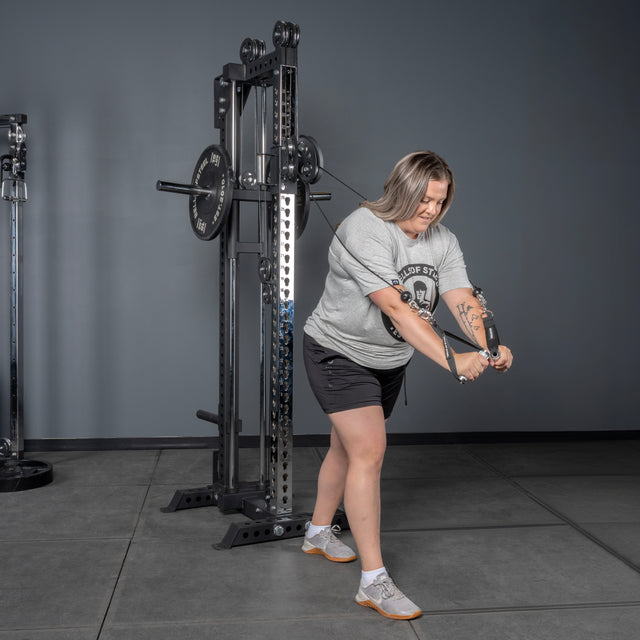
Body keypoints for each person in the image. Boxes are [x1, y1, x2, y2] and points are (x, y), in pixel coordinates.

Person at [300, 151, 514, 620]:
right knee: (370, 451)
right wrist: (455, 362)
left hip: (388, 359)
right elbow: (395, 307)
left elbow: (460, 296)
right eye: (424, 199)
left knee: (346, 448)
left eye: (440, 201)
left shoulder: (443, 240)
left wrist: (488, 341)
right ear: (401, 190)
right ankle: (374, 582)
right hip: (338, 351)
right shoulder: (363, 230)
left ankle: (317, 532)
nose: (431, 211)